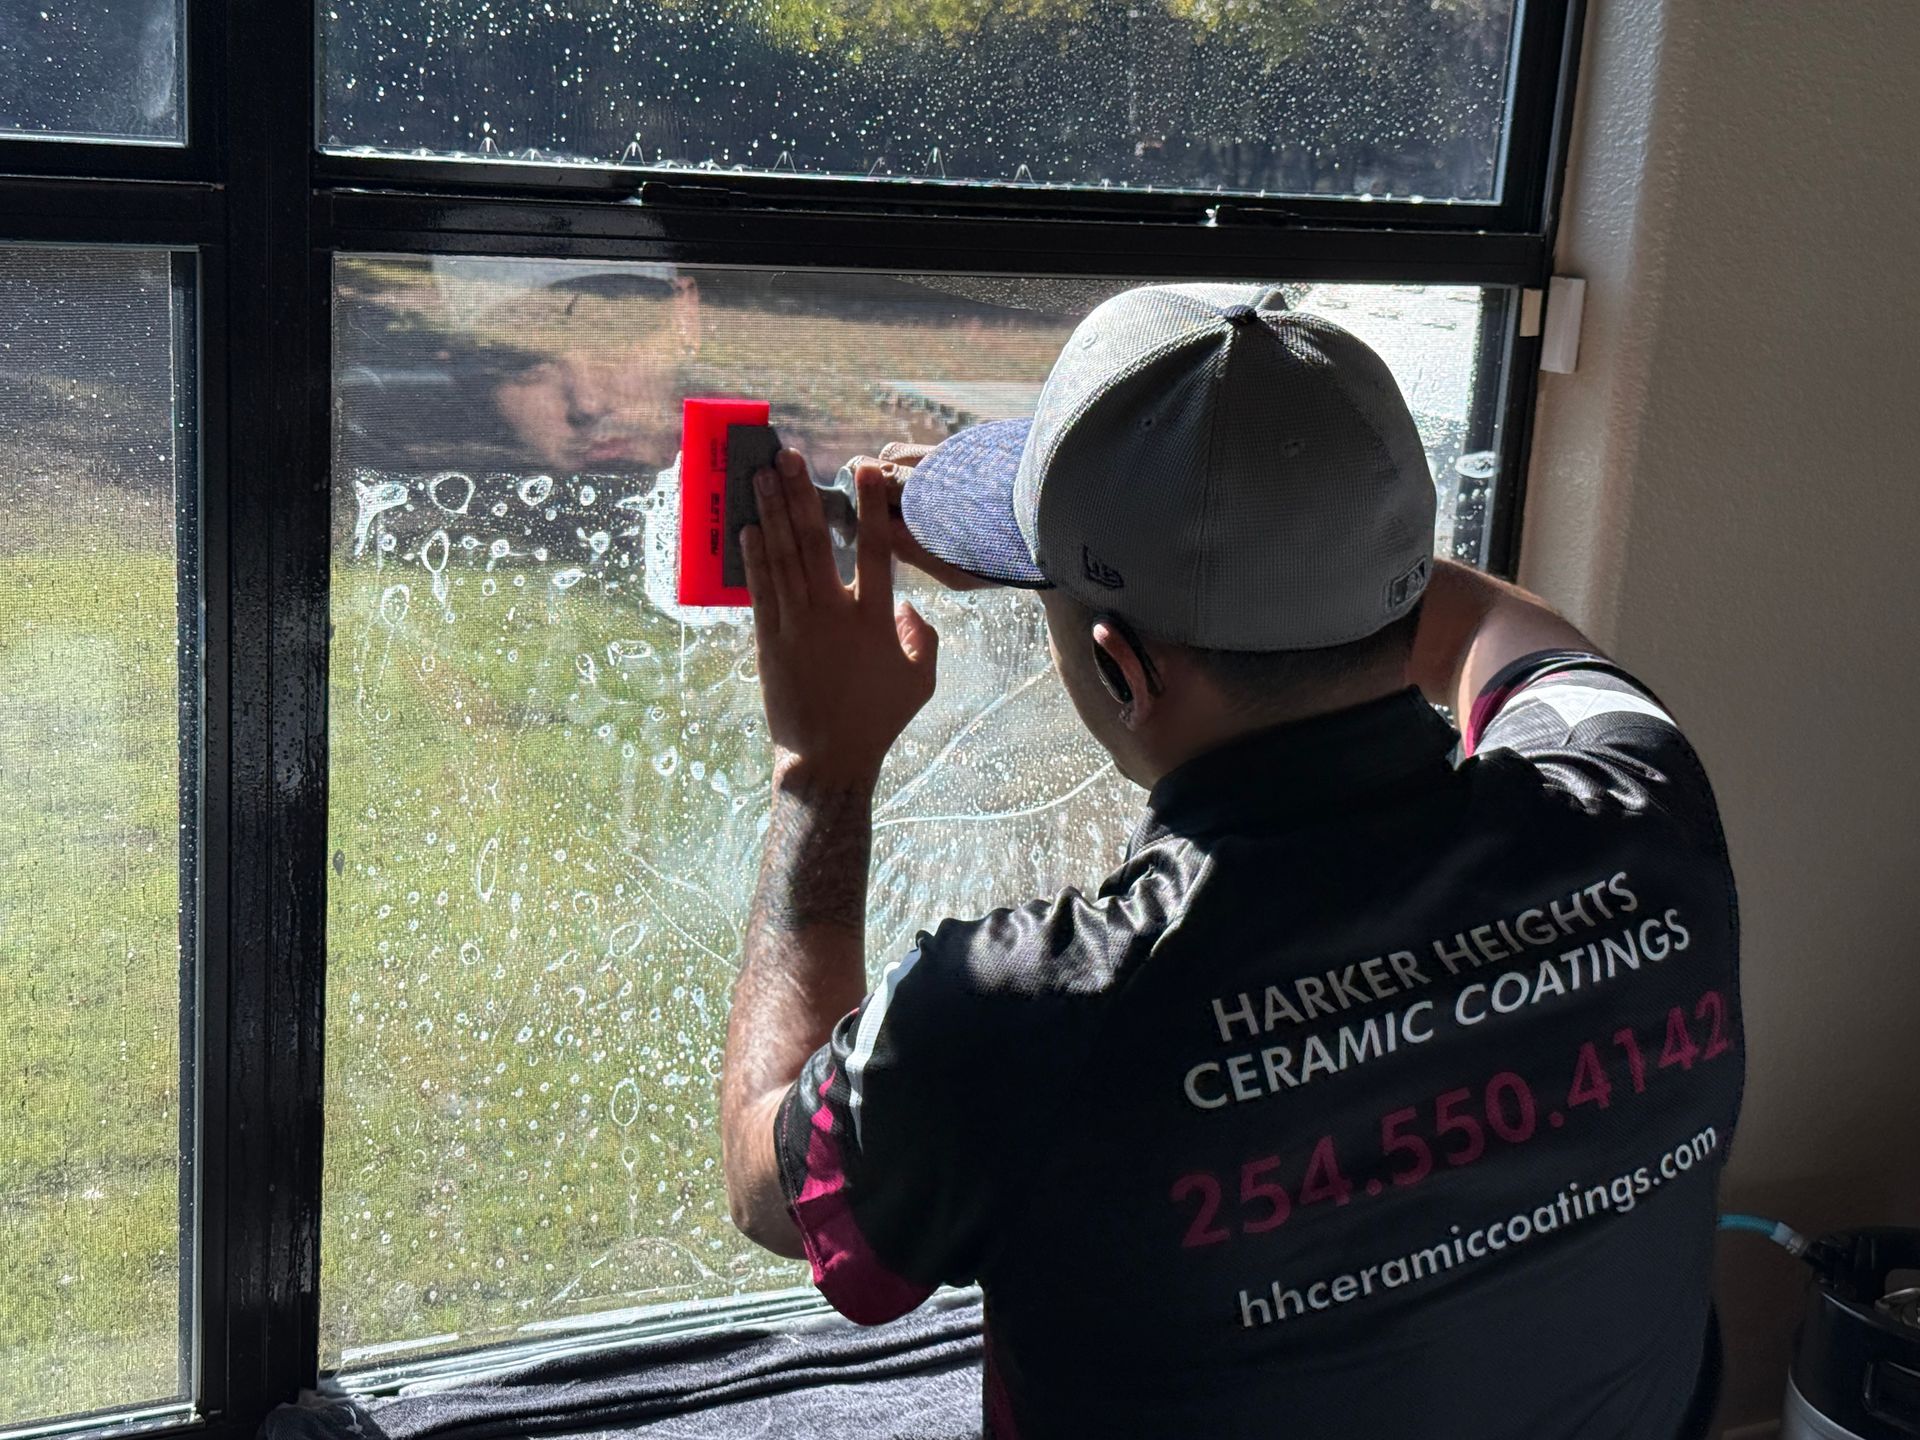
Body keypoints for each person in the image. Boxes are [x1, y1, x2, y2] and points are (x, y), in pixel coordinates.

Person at [717, 283, 1743, 1439]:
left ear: (1123, 673)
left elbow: (772, 1176)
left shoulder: (1021, 1022)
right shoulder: (1647, 807)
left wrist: (821, 769)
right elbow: (1501, 633)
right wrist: (1308, 555)